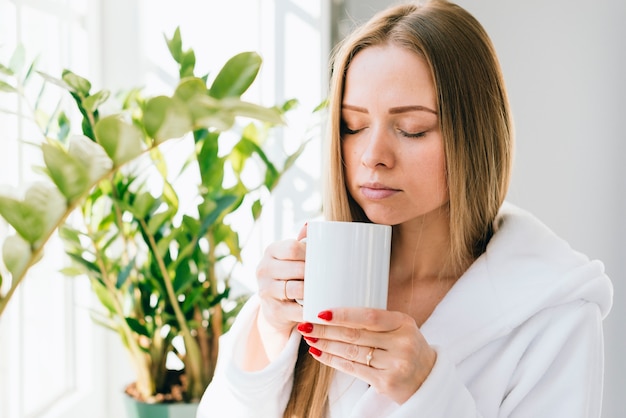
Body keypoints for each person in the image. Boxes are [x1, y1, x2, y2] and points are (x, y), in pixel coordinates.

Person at [196, 0, 613, 417]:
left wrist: (427, 390)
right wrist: (268, 328)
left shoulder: (554, 312)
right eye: (352, 126)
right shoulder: (311, 274)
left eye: (412, 130)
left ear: (475, 136)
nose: (372, 156)